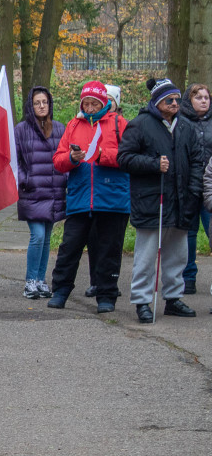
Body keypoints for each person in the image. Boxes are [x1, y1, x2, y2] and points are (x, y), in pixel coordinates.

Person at [120, 79, 202, 323]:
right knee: (146, 258)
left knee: (177, 255)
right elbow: (124, 158)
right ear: (158, 102)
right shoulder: (140, 125)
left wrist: (194, 192)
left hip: (180, 202)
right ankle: (142, 301)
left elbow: (197, 161)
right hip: (152, 202)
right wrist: (153, 164)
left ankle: (173, 298)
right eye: (170, 100)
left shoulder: (186, 127)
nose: (176, 103)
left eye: (178, 99)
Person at [49, 82, 130, 313]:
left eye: (95, 103)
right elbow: (58, 160)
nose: (91, 107)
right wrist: (73, 158)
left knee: (108, 251)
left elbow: (129, 156)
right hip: (80, 198)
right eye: (87, 103)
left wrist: (103, 155)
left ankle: (106, 295)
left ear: (105, 103)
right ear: (81, 103)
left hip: (112, 199)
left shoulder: (118, 123)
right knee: (69, 248)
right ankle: (61, 291)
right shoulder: (74, 125)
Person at [15, 86, 67, 299]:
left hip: (53, 191)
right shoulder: (21, 130)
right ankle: (30, 281)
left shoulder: (59, 128)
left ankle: (40, 280)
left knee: (46, 238)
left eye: (44, 102)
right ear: (30, 105)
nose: (41, 106)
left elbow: (64, 157)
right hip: (32, 192)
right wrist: (23, 180)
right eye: (37, 102)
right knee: (36, 236)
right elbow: (14, 160)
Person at [181, 83, 212, 295]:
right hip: (189, 187)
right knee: (189, 234)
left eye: (206, 97)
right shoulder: (181, 122)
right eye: (198, 97)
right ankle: (188, 277)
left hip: (210, 187)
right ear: (189, 100)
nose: (204, 100)